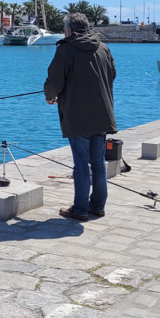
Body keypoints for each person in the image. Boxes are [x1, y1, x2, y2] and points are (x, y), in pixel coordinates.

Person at [43, 12, 117, 221]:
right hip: (102, 114)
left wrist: (51, 96)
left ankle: (80, 209)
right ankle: (98, 206)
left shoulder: (66, 49)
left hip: (78, 115)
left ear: (69, 29)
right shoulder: (103, 47)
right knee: (98, 162)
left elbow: (54, 81)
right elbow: (112, 74)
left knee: (82, 164)